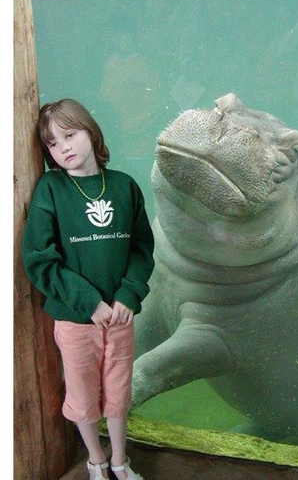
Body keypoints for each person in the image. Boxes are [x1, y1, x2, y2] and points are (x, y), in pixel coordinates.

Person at [22, 99, 155, 480]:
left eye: (70, 134)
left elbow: (141, 248)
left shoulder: (124, 186)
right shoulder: (51, 189)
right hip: (76, 318)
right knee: (82, 395)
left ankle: (120, 461)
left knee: (119, 392)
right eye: (52, 143)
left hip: (120, 316)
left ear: (91, 132)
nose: (63, 147)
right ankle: (96, 461)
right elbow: (39, 258)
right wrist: (90, 302)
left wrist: (128, 294)